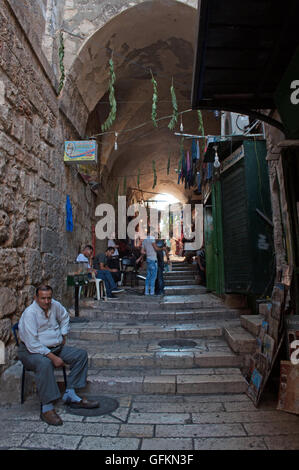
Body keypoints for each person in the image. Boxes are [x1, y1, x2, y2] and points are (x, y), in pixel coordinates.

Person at [18, 285, 99, 426]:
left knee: (80, 355)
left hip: (55, 347)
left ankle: (70, 393)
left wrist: (63, 334)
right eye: (43, 298)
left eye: (49, 298)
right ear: (36, 298)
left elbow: (65, 316)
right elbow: (32, 344)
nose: (46, 301)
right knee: (44, 363)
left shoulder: (54, 305)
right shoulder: (30, 314)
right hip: (31, 352)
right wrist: (53, 358)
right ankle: (47, 408)